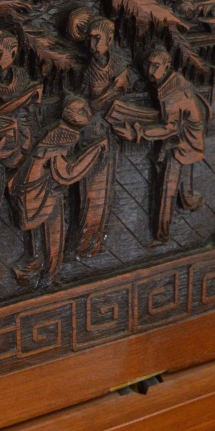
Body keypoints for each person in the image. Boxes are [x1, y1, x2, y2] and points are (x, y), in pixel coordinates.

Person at [13, 97, 106, 287]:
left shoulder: (59, 131)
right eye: (82, 111)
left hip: (35, 186)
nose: (88, 114)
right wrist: (95, 150)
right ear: (68, 115)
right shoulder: (64, 135)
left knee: (41, 231)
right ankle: (50, 275)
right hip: (41, 189)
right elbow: (66, 172)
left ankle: (38, 268)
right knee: (54, 231)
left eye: (87, 109)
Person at [120, 48, 206, 242]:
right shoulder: (170, 80)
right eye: (148, 65)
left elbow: (169, 129)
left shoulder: (174, 95)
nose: (150, 70)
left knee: (167, 186)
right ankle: (189, 200)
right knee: (183, 178)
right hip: (183, 138)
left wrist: (138, 133)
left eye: (156, 66)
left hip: (182, 143)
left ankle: (162, 233)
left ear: (166, 66)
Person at [0, 29, 42, 266]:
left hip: (27, 139)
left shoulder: (21, 76)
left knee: (28, 193)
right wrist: (25, 98)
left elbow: (35, 105)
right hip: (0, 145)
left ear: (13, 53)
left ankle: (34, 250)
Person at [75, 16, 129, 256]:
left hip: (111, 134)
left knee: (105, 190)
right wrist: (111, 91)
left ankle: (96, 241)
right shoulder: (90, 72)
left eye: (97, 38)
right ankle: (84, 241)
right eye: (90, 39)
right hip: (92, 134)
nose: (93, 44)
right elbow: (88, 104)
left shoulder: (119, 66)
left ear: (110, 39)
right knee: (90, 191)